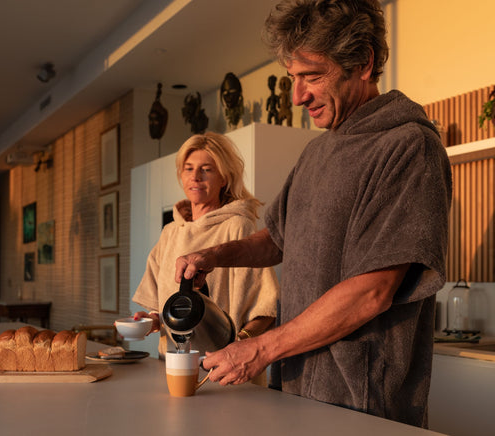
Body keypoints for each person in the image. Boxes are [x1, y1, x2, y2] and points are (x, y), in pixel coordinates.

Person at [174, 0, 452, 428]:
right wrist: (213, 255)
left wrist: (261, 348)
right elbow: (277, 239)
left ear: (363, 63)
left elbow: (373, 290)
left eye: (312, 76)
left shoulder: (408, 146)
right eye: (292, 79)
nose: (298, 96)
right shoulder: (317, 150)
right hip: (297, 382)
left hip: (362, 399)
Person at [132, 131, 279, 359]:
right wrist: (151, 320)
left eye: (206, 169)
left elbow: (267, 309)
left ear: (224, 178)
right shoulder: (170, 232)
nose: (195, 177)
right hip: (173, 367)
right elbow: (160, 308)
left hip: (225, 370)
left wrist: (241, 342)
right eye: (189, 168)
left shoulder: (238, 228)